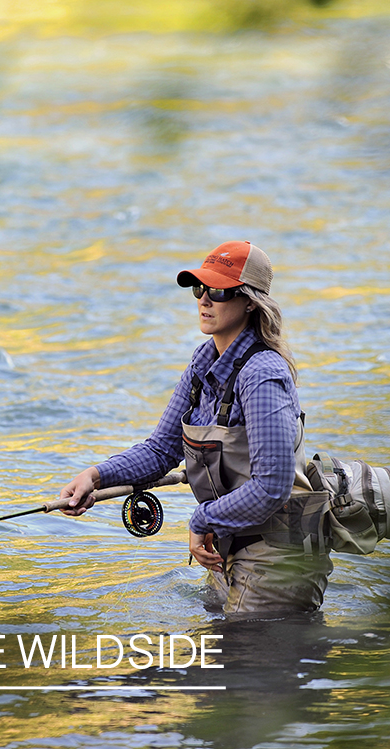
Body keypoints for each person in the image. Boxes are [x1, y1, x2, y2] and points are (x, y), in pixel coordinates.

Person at [59, 241, 332, 614]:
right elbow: (161, 450)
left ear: (250, 301)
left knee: (250, 664)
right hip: (225, 551)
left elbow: (272, 486)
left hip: (279, 561)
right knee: (215, 661)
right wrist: (95, 475)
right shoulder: (203, 362)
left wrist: (203, 518)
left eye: (218, 291)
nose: (204, 299)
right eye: (198, 288)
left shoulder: (263, 374)